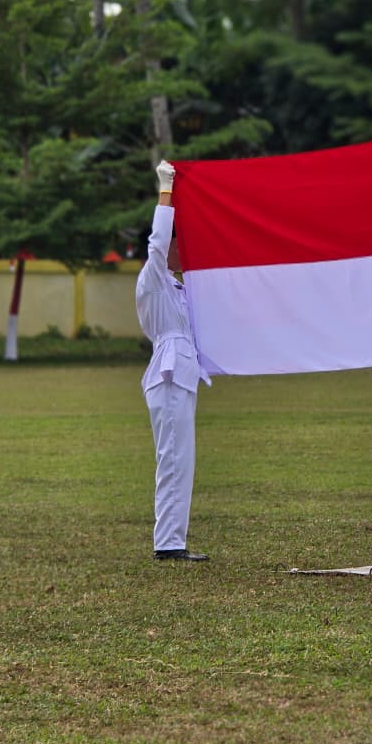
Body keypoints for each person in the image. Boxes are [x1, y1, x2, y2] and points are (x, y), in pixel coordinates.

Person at [136, 159, 219, 561]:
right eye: (177, 244)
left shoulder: (179, 287)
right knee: (172, 457)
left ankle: (173, 541)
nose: (183, 251)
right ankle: (168, 544)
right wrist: (166, 190)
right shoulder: (153, 278)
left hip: (182, 375)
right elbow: (157, 242)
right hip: (169, 375)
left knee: (182, 460)